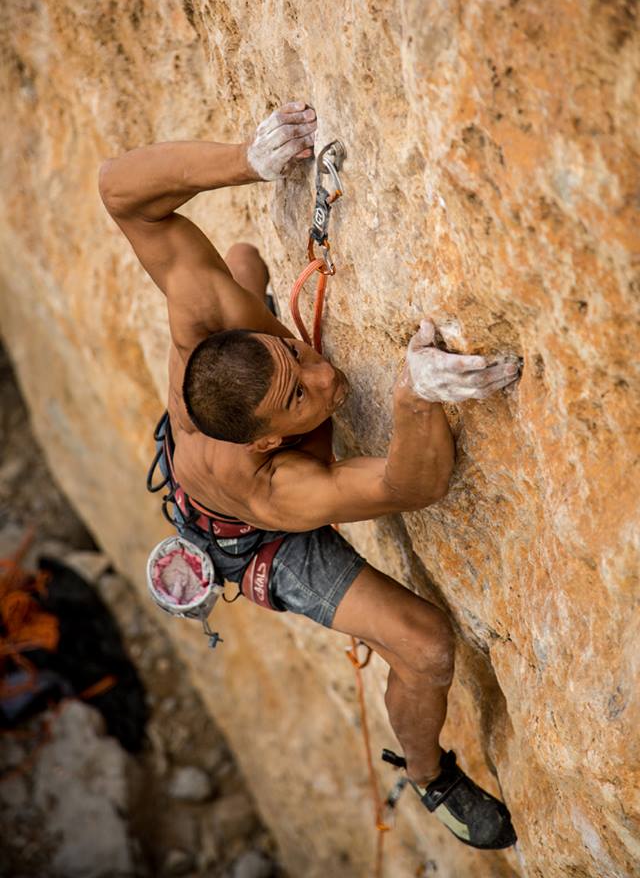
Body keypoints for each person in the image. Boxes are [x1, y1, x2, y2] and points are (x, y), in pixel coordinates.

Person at [98, 101, 520, 850]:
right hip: (253, 539)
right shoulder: (277, 486)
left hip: (218, 420)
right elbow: (408, 487)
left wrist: (244, 159)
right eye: (300, 398)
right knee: (423, 645)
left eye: (295, 360)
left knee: (243, 260)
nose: (325, 377)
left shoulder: (208, 312)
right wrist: (414, 397)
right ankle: (429, 776)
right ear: (265, 442)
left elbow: (117, 189)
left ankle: (266, 353)